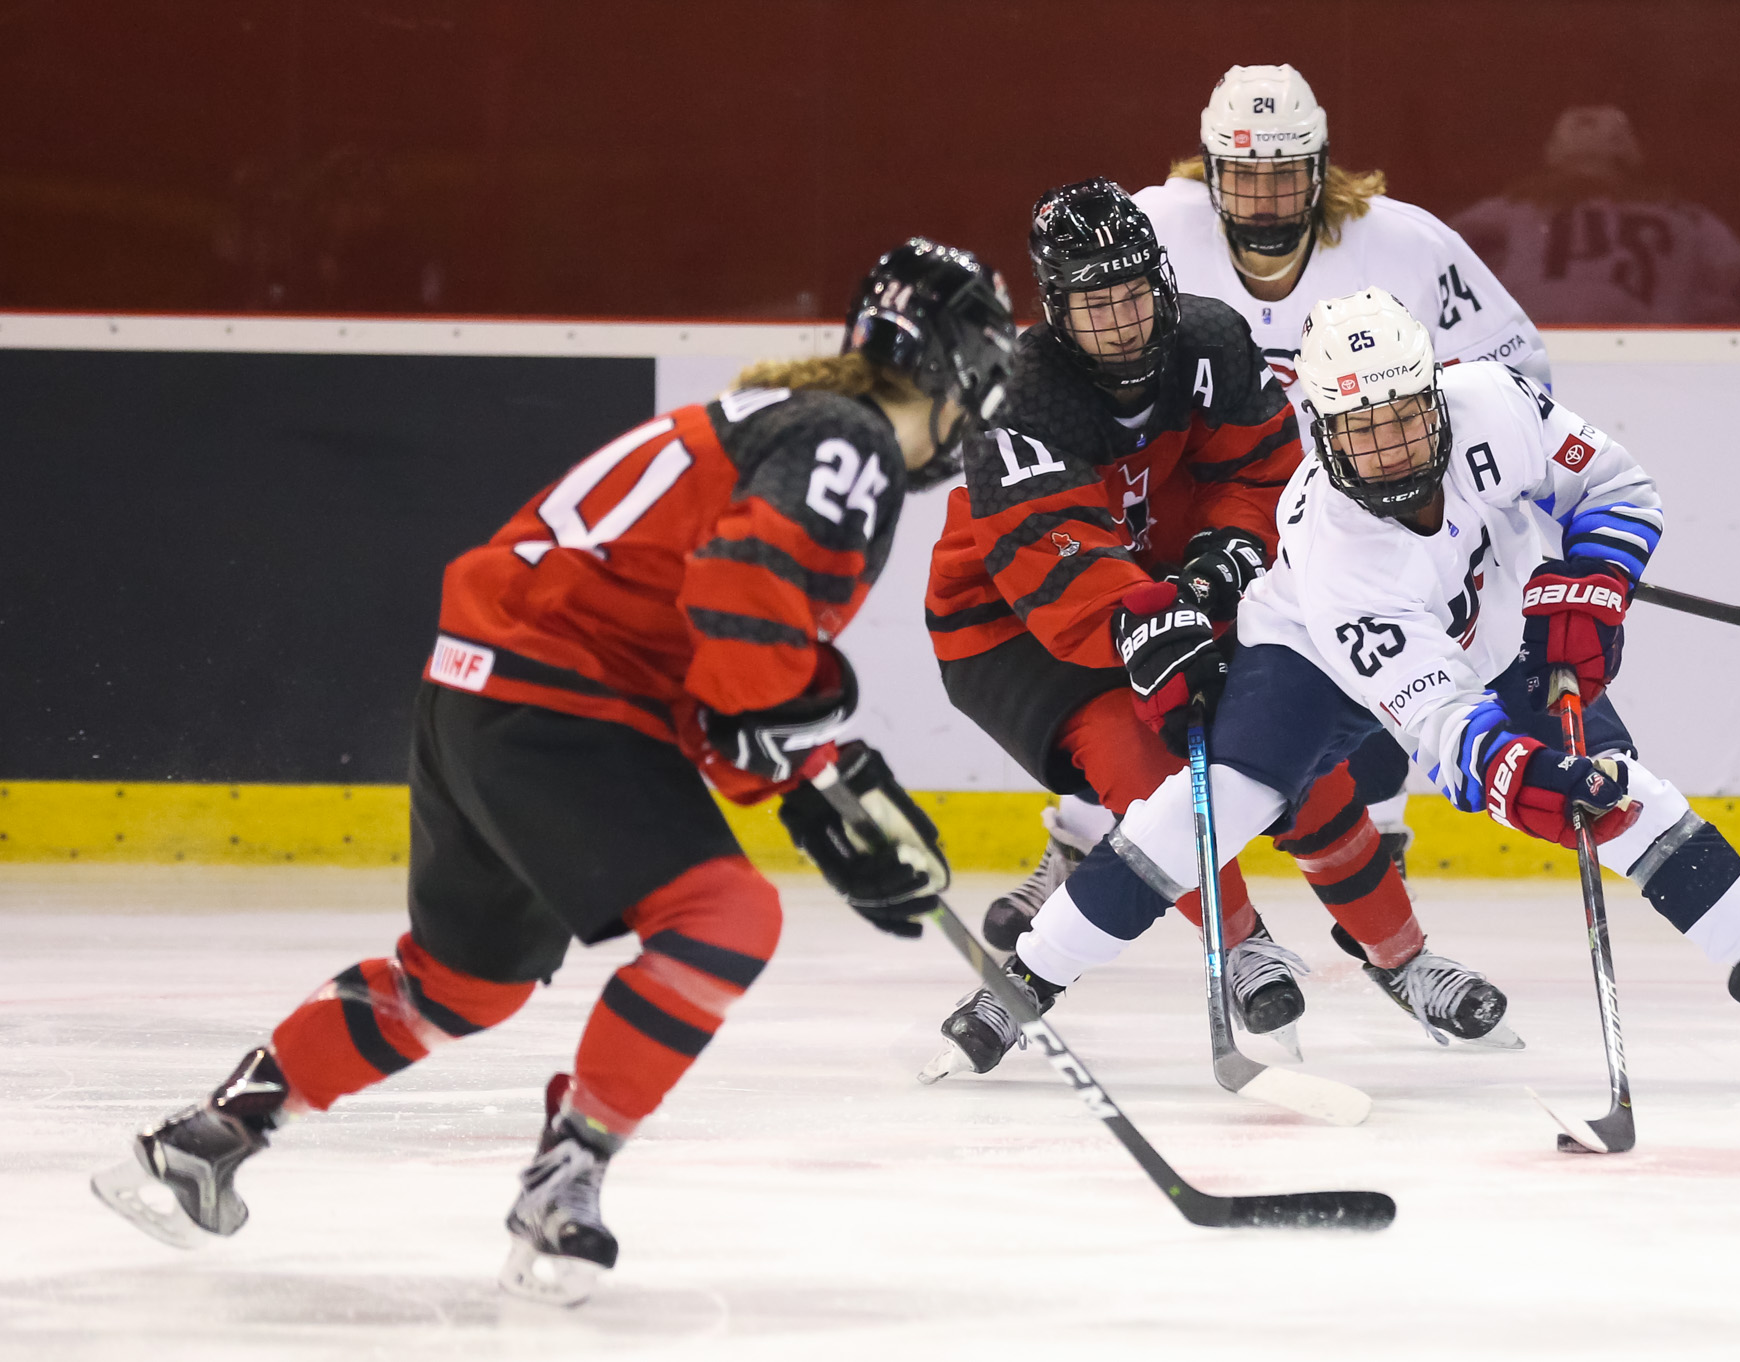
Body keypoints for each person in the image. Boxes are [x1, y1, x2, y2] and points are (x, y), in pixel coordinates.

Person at [89, 239, 1016, 1305]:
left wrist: (803, 783)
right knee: (726, 922)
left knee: (460, 983)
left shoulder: (784, 422)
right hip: (562, 698)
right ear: (961, 372)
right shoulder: (847, 439)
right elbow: (743, 600)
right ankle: (565, 1177)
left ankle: (211, 1136)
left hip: (478, 697)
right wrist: (812, 771)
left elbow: (717, 658)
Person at [997, 287, 1740, 1087]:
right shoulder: (1342, 552)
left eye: (1406, 417)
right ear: (1323, 431)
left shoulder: (1492, 403)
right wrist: (1525, 779)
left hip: (1487, 617)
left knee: (1625, 796)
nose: (1391, 447)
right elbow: (1442, 723)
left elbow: (1612, 484)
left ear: (1436, 391)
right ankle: (1032, 976)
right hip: (1310, 657)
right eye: (1363, 428)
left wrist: (1595, 583)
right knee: (1213, 806)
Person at [923, 181, 1513, 1078]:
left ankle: (1403, 958)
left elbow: (1266, 478)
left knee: (1285, 759)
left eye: (1132, 293)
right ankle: (1239, 946)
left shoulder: (1212, 341)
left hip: (1170, 589)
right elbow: (1052, 551)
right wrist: (1157, 615)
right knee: (1142, 762)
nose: (1120, 321)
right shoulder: (1016, 392)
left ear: (1161, 280)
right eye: (1093, 302)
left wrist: (1219, 563)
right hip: (1011, 622)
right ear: (1055, 305)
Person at [981, 64, 1549, 928]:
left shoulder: (1411, 245)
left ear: (1322, 168)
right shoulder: (1157, 223)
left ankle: (1378, 840)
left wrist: (1434, 457)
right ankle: (1083, 840)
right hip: (1214, 498)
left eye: (1284, 174)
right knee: (1159, 669)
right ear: (1207, 172)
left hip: (1360, 512)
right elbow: (1079, 331)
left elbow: (1518, 371)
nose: (1264, 199)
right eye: (1243, 177)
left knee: (1386, 663)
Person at [1452, 106, 1740, 325]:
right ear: (1632, 156)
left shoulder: (1512, 209)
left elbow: (1432, 259)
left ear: (1553, 155)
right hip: (1655, 369)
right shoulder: (1688, 218)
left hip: (1536, 364)